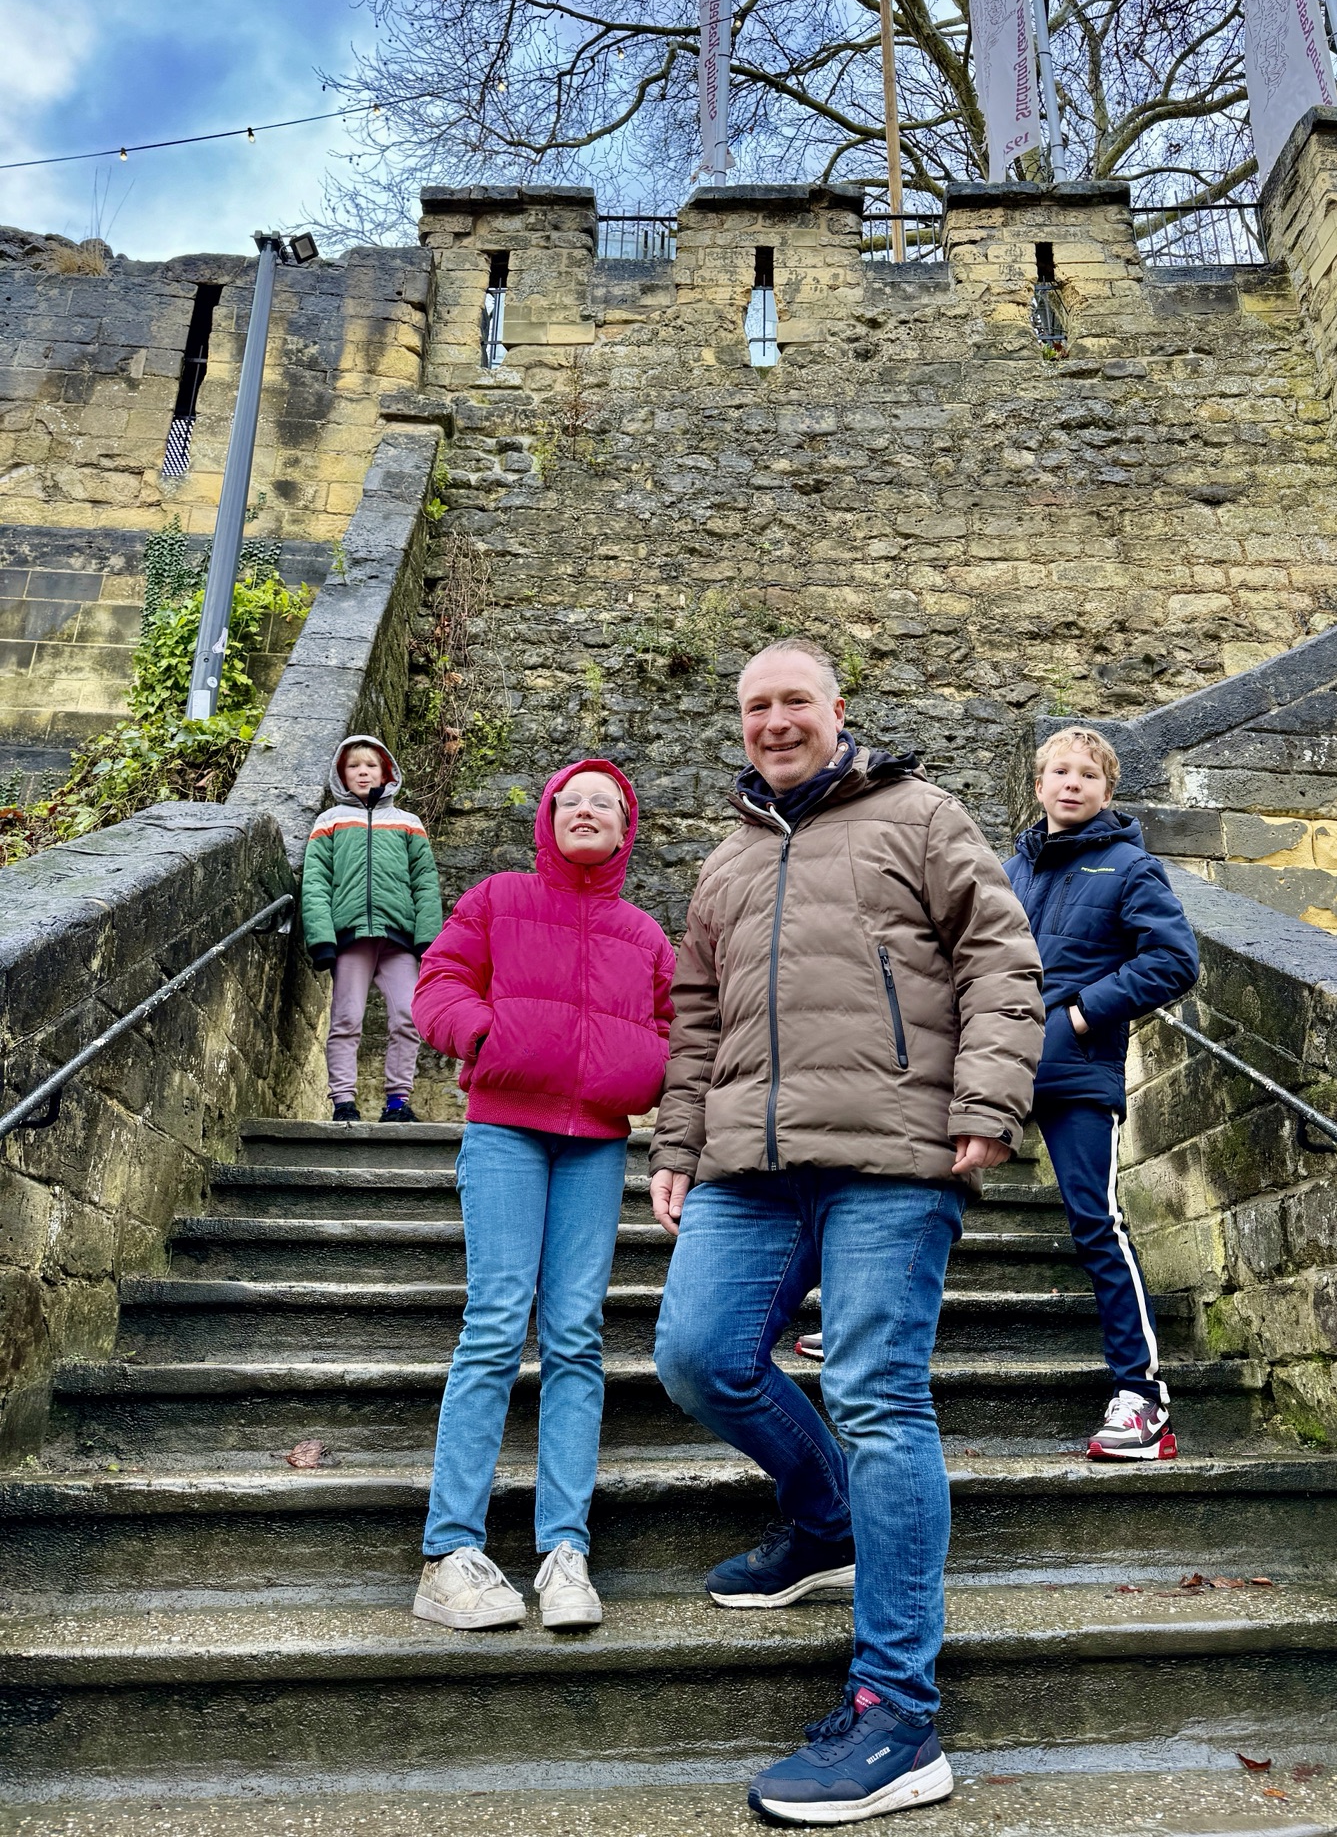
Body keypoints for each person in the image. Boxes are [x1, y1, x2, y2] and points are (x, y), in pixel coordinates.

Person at [650, 640, 1043, 1826]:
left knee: (876, 1389)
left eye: (793, 702)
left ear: (836, 710)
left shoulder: (919, 813)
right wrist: (677, 1144)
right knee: (696, 1355)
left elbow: (1000, 954)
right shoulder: (723, 858)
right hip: (750, 1164)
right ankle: (823, 1516)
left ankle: (898, 1711)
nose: (775, 721)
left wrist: (987, 1100)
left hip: (892, 1152)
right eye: (755, 705)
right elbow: (696, 1013)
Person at [410, 760, 674, 1631]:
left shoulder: (645, 936)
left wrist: (649, 1071)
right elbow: (439, 984)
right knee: (493, 1324)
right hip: (505, 1134)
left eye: (607, 803)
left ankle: (566, 1549)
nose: (588, 811)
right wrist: (487, 1033)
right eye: (574, 800)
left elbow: (677, 1029)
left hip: (596, 1143)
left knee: (575, 1337)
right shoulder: (496, 898)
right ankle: (450, 1553)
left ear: (625, 828)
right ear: (548, 817)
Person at [1003, 727, 1199, 1462]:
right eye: (1060, 771)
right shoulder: (1007, 871)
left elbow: (1175, 961)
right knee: (924, 1192)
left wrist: (1082, 1012)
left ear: (1107, 792)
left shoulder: (1129, 866)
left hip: (1077, 1071)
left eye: (1088, 774)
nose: (1072, 783)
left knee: (1096, 1222)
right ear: (1039, 784)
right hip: (995, 1063)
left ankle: (1142, 1401)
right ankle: (871, 1324)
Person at [301, 735, 442, 1124]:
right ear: (341, 776)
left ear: (386, 772)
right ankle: (343, 1102)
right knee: (346, 1019)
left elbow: (425, 883)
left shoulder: (408, 824)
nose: (362, 772)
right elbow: (314, 884)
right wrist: (322, 939)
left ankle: (398, 1102)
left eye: (371, 765)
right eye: (353, 766)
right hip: (350, 939)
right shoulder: (329, 822)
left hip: (398, 938)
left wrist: (428, 939)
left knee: (409, 1016)